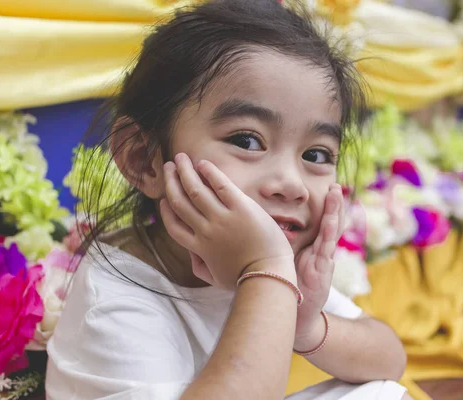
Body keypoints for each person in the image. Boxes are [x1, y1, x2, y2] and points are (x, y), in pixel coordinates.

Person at [46, 1, 409, 399]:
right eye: (247, 140)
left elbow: (390, 361)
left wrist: (306, 326)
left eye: (315, 155)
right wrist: (265, 272)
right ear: (143, 160)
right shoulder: (116, 299)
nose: (291, 184)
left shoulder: (260, 253)